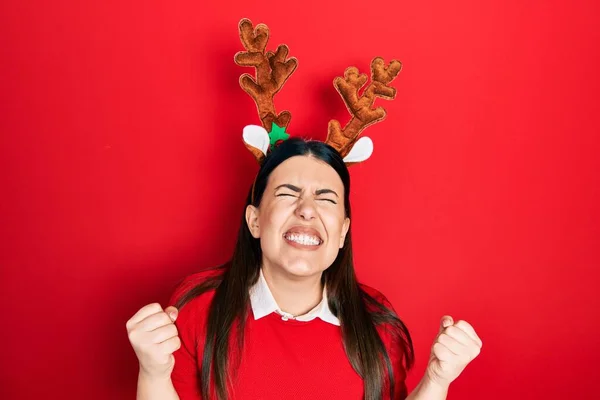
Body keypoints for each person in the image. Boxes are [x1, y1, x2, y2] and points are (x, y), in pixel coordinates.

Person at [126, 17, 482, 400]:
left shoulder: (378, 323)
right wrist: (153, 372)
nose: (307, 210)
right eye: (287, 193)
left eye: (325, 198)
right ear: (254, 220)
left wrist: (437, 381)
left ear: (343, 231)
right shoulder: (197, 307)